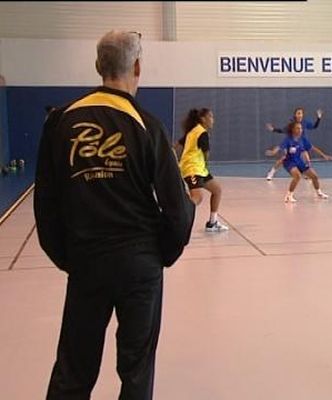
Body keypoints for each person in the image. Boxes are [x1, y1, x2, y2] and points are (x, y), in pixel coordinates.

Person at [34, 31, 195, 400]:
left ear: (97, 66)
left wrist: (68, 257)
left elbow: (46, 204)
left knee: (73, 370)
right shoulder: (148, 126)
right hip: (139, 265)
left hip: (86, 261)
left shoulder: (61, 123)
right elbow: (178, 209)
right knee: (136, 373)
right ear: (137, 67)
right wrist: (159, 257)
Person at [178, 107, 229, 232]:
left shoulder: (193, 131)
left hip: (199, 169)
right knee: (197, 198)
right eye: (210, 117)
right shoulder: (201, 133)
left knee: (217, 190)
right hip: (192, 169)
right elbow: (206, 154)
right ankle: (176, 216)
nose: (213, 120)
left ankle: (212, 222)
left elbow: (176, 146)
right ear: (203, 119)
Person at [266, 121, 329, 203]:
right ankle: (289, 196)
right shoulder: (288, 140)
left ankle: (319, 193)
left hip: (299, 161)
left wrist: (323, 155)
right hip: (289, 162)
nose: (300, 130)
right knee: (297, 176)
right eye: (298, 128)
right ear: (293, 130)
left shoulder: (302, 139)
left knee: (314, 176)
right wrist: (273, 152)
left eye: (301, 128)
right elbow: (279, 147)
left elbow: (313, 148)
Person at [265, 107, 331, 180]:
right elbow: (283, 130)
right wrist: (273, 129)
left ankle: (306, 173)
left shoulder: (305, 122)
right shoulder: (292, 124)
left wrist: (319, 117)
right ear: (295, 115)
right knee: (283, 158)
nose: (300, 115)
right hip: (292, 144)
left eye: (301, 113)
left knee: (306, 158)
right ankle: (272, 172)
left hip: (302, 142)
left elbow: (314, 126)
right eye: (298, 113)